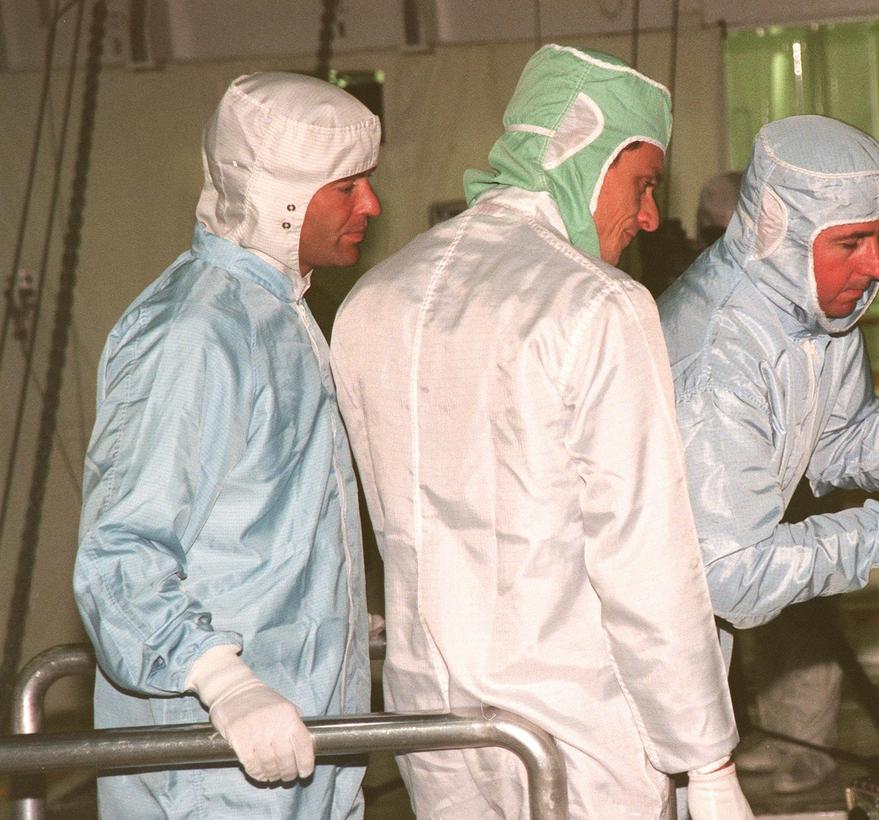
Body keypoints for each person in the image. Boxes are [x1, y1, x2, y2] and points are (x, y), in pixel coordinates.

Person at [330, 44, 752, 819]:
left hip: (433, 725)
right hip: (579, 731)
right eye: (644, 184)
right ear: (581, 153)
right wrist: (707, 758)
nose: (650, 217)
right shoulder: (598, 306)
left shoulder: (371, 301)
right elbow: (645, 556)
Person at [658, 115, 879, 794]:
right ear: (778, 232)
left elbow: (832, 445)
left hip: (690, 640)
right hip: (625, 657)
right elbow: (736, 575)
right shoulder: (719, 357)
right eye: (851, 242)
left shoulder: (812, 309)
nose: (876, 266)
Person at [73, 72, 380, 818]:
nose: (371, 205)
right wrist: (223, 682)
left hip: (300, 738)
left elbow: (259, 530)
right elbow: (120, 553)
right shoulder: (194, 332)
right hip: (214, 764)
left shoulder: (279, 313)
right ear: (279, 200)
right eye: (347, 187)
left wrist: (339, 616)